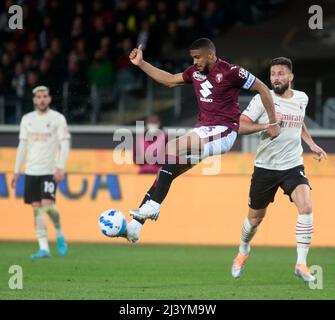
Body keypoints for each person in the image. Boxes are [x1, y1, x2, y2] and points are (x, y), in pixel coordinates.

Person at [124, 38, 280, 243]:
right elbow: (169, 80)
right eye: (193, 57)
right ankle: (136, 226)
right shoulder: (194, 73)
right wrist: (142, 64)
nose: (195, 61)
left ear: (211, 55)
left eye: (198, 57)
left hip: (224, 131)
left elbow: (262, 88)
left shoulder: (232, 71)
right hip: (204, 132)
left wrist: (273, 121)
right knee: (167, 172)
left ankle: (153, 207)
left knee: (171, 146)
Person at [231, 57, 327, 282]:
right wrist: (269, 124)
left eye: (281, 73)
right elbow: (239, 125)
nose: (276, 78)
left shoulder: (302, 98)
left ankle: (301, 264)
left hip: (293, 165)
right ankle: (243, 250)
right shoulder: (262, 99)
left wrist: (311, 143)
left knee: (306, 207)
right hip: (265, 168)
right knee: (255, 220)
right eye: (273, 74)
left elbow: (299, 121)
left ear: (291, 76)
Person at [11, 85, 71, 259]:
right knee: (37, 209)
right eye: (39, 97)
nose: (42, 99)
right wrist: (16, 171)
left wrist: (61, 166)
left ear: (49, 99)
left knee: (48, 205)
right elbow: (22, 146)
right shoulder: (27, 119)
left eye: (45, 96)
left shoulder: (57, 118)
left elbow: (65, 144)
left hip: (49, 170)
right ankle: (44, 248)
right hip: (31, 171)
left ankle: (59, 233)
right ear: (34, 100)